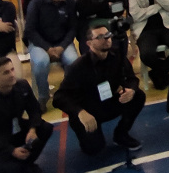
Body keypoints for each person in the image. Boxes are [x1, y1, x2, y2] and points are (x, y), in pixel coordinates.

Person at [52, 24, 146, 155]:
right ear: (89, 43)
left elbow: (132, 78)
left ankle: (121, 134)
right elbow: (59, 98)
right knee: (94, 150)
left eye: (108, 35)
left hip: (108, 102)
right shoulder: (79, 66)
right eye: (100, 37)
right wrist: (80, 112)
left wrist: (131, 90)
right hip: (88, 111)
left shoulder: (117, 55)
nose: (106, 39)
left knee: (138, 96)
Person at [0, 57, 54, 173]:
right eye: (6, 72)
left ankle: (25, 162)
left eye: (12, 70)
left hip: (15, 129)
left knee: (45, 128)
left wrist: (32, 129)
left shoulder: (22, 86)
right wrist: (11, 151)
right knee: (11, 170)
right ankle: (14, 165)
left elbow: (34, 109)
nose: (12, 75)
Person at [25, 0, 78, 111]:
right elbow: (30, 31)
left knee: (73, 61)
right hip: (39, 43)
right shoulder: (36, 4)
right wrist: (47, 48)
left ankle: (68, 91)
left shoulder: (70, 4)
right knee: (41, 62)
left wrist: (62, 46)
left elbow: (73, 28)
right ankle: (42, 97)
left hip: (62, 43)